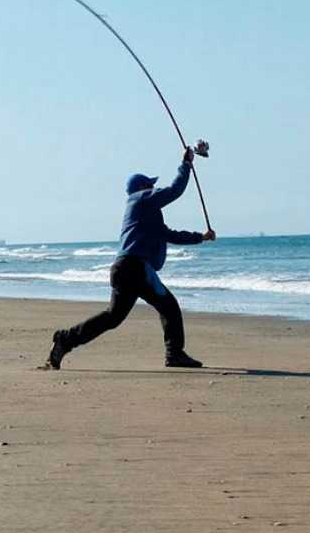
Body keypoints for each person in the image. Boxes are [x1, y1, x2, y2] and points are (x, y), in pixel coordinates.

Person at [43, 147, 216, 370]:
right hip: (135, 268)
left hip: (122, 268)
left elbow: (169, 235)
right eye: (151, 185)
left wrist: (200, 237)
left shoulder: (143, 213)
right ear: (143, 188)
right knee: (169, 306)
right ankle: (174, 354)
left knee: (113, 317)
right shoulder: (142, 199)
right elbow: (174, 191)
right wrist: (185, 165)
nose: (154, 188)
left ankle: (65, 340)